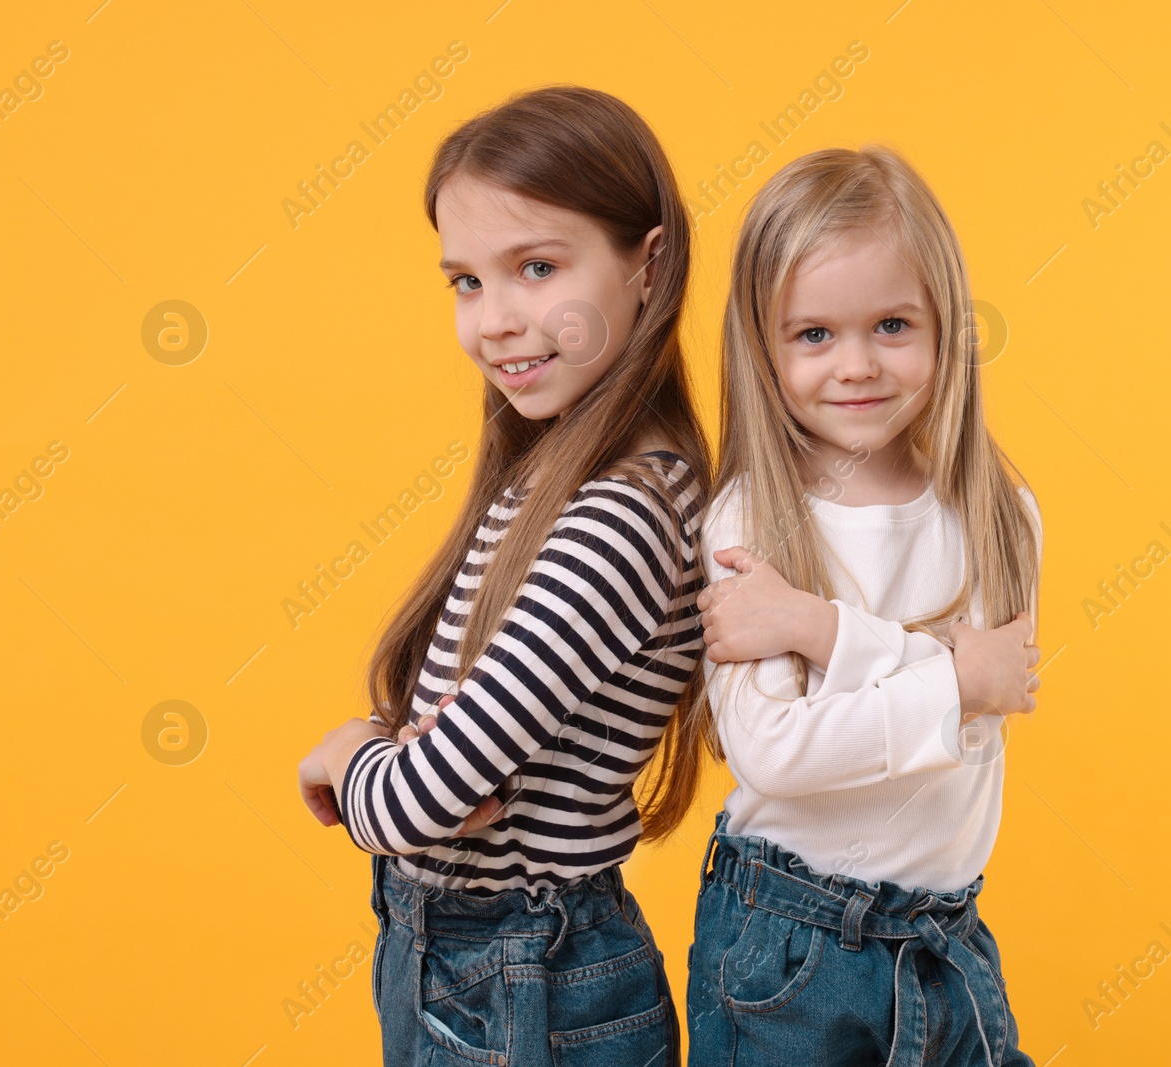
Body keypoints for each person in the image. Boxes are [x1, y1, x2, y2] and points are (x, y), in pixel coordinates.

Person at [295, 85, 711, 1067]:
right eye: (466, 282)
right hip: (477, 962)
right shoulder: (555, 478)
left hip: (527, 982)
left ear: (647, 266)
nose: (494, 320)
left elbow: (414, 802)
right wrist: (400, 767)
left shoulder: (620, 512)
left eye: (535, 267)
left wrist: (346, 752)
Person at [685, 145, 1043, 1066]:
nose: (856, 366)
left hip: (947, 936)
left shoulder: (1000, 517)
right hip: (790, 944)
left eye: (892, 324)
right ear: (761, 346)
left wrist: (820, 630)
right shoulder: (750, 519)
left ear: (946, 327)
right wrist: (952, 678)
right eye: (813, 335)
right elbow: (778, 752)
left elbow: (981, 708)